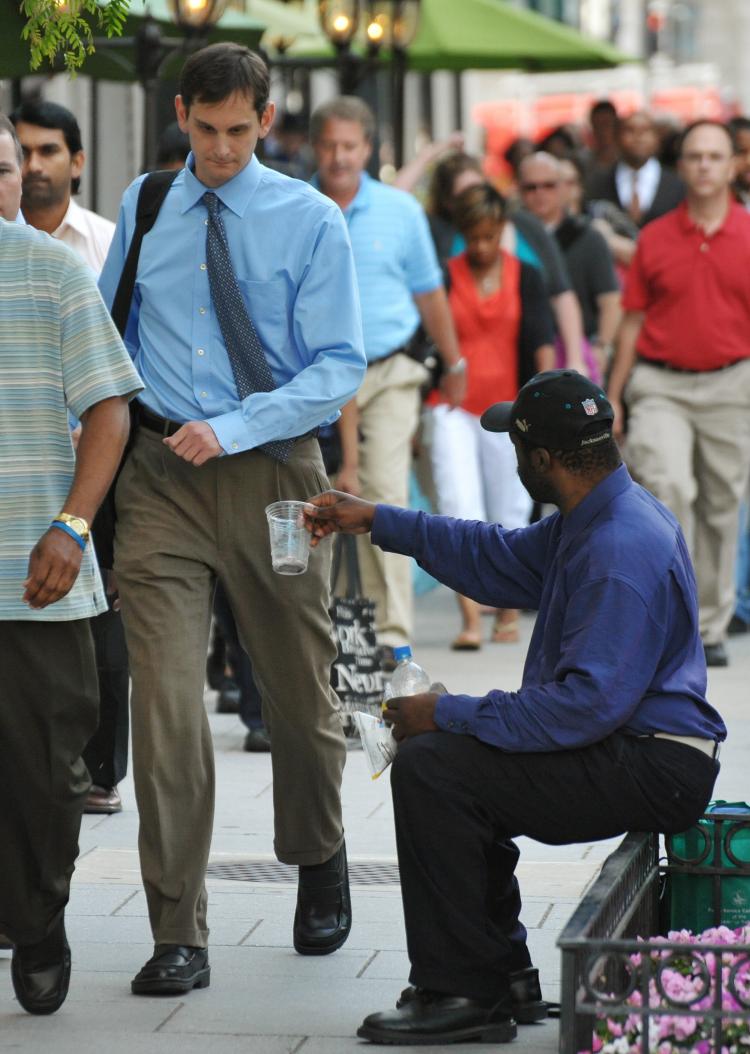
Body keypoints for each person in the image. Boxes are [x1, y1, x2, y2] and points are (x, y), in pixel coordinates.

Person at [304, 368, 725, 1046]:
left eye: (517, 447)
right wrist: (379, 519)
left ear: (543, 461)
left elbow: (582, 709)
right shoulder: (594, 518)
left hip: (654, 763)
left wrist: (444, 711)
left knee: (436, 769)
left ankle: (466, 992)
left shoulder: (619, 546)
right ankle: (502, 974)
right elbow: (493, 556)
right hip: (635, 744)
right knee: (461, 759)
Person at [98, 43, 366, 994]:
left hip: (275, 475)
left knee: (299, 690)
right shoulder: (148, 202)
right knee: (165, 705)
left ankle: (319, 849)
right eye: (203, 130)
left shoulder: (310, 219)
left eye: (236, 131)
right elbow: (110, 332)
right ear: (182, 114)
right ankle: (179, 929)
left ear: (265, 120)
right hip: (160, 478)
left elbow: (338, 366)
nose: (218, 149)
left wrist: (239, 424)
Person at [0, 114, 143, 1015]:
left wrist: (73, 526)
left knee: (48, 773)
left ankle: (41, 917)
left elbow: (110, 413)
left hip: (37, 576)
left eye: (2, 168)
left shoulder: (54, 271)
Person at [310, 96, 465, 658]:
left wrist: (456, 361)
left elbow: (430, 292)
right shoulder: (298, 205)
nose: (339, 156)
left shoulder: (400, 212)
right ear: (313, 147)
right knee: (318, 500)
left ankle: (393, 640)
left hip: (391, 371)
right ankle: (338, 635)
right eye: (329, 145)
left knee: (383, 493)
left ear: (369, 149)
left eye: (349, 145)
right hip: (318, 378)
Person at [11, 98, 130, 817]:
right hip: (26, 454)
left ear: (77, 162)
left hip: (100, 457)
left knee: (103, 604)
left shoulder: (110, 247)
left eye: (46, 151)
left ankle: (101, 765)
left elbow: (123, 366)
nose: (32, 167)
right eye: (19, 153)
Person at [607, 120, 750, 669]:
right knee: (669, 489)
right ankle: (676, 617)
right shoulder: (657, 237)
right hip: (661, 382)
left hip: (732, 382)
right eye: (694, 156)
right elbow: (631, 321)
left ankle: (711, 624)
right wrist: (615, 395)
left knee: (720, 505)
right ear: (681, 166)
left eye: (716, 156)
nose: (705, 166)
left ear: (733, 165)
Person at [428, 183, 554, 649]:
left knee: (511, 509)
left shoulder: (527, 276)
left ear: (502, 230)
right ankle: (469, 618)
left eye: (489, 236)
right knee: (458, 504)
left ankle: (506, 608)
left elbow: (541, 342)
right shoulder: (444, 275)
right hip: (452, 407)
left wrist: (545, 402)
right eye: (473, 237)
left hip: (509, 409)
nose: (481, 246)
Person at [519, 151, 621, 379]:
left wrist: (602, 346)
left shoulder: (588, 237)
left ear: (563, 187)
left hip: (577, 353)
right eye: (531, 187)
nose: (540, 194)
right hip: (523, 353)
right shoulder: (512, 235)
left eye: (548, 185)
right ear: (520, 190)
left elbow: (611, 300)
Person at [585, 110, 685, 229]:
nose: (638, 137)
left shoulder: (677, 184)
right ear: (617, 138)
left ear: (657, 139)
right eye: (630, 130)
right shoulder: (598, 183)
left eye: (645, 130)